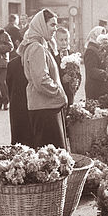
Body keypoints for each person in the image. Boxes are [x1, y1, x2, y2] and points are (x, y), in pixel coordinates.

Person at [21, 8, 68, 149]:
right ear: (41, 25)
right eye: (52, 25)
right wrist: (59, 93)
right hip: (45, 108)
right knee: (52, 155)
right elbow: (41, 80)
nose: (55, 29)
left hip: (44, 107)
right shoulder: (37, 48)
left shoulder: (39, 45)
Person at [6, 49, 33, 146]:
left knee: (19, 137)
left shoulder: (11, 64)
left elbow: (9, 86)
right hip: (29, 103)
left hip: (16, 104)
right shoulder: (33, 62)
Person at [84, 26, 108, 100]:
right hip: (94, 87)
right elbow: (91, 70)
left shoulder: (99, 48)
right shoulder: (91, 50)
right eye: (101, 35)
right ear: (95, 36)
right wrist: (105, 73)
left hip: (100, 86)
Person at [54, 27, 79, 107]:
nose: (64, 43)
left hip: (70, 94)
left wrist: (76, 83)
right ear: (56, 40)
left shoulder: (72, 54)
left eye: (66, 39)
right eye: (61, 40)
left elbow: (78, 74)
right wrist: (62, 79)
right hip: (58, 95)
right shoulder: (53, 56)